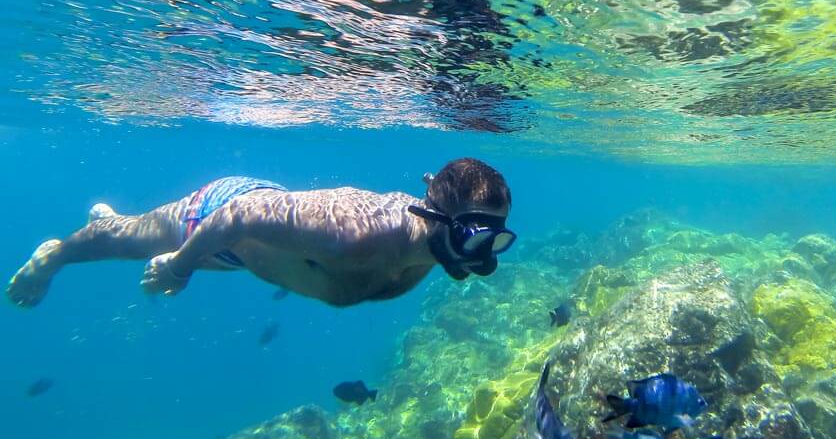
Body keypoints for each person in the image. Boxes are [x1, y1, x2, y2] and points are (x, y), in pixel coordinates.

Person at [6, 158, 515, 308]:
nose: (485, 258)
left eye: (495, 239)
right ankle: (54, 255)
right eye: (476, 237)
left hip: (247, 253)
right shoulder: (356, 237)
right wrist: (180, 263)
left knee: (129, 238)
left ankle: (112, 224)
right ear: (438, 219)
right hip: (223, 212)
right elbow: (242, 214)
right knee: (125, 244)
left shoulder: (429, 253)